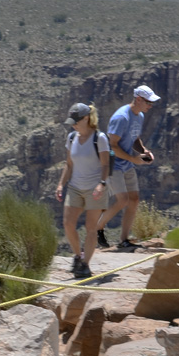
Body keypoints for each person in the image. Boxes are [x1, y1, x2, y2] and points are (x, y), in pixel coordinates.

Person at [96, 85, 160, 252]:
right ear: (138, 99)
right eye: (148, 102)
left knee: (134, 199)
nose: (150, 106)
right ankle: (98, 227)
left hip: (127, 163)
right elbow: (113, 146)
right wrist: (133, 158)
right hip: (114, 164)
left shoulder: (139, 116)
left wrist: (144, 151)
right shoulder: (121, 117)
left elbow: (134, 137)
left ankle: (124, 240)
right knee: (122, 200)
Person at [56, 103, 110, 280]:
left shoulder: (99, 138)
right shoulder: (72, 138)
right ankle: (78, 257)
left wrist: (101, 184)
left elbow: (105, 164)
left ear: (86, 118)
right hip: (75, 187)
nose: (73, 125)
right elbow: (69, 164)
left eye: (76, 121)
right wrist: (60, 184)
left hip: (94, 189)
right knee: (68, 224)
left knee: (90, 228)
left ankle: (85, 264)